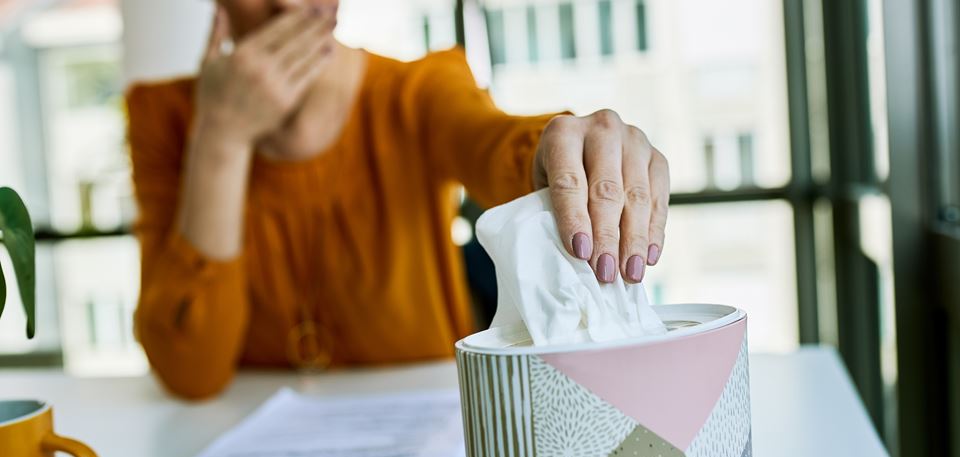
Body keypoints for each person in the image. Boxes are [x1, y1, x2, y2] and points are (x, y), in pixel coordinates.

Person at [127, 0, 671, 400]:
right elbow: (188, 372)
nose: (288, 6)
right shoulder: (167, 117)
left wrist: (562, 152)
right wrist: (219, 139)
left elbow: (491, 141)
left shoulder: (417, 92)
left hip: (435, 447)